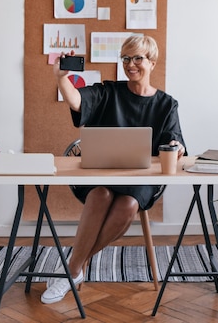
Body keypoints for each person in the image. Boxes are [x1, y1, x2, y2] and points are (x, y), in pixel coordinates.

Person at [41, 35, 187, 304]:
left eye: (137, 58)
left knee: (128, 204)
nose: (131, 64)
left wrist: (176, 146)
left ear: (152, 63)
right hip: (101, 175)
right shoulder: (108, 92)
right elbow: (76, 101)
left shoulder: (167, 105)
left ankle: (72, 269)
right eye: (126, 59)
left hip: (141, 181)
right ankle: (74, 270)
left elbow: (175, 143)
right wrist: (62, 78)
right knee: (101, 195)